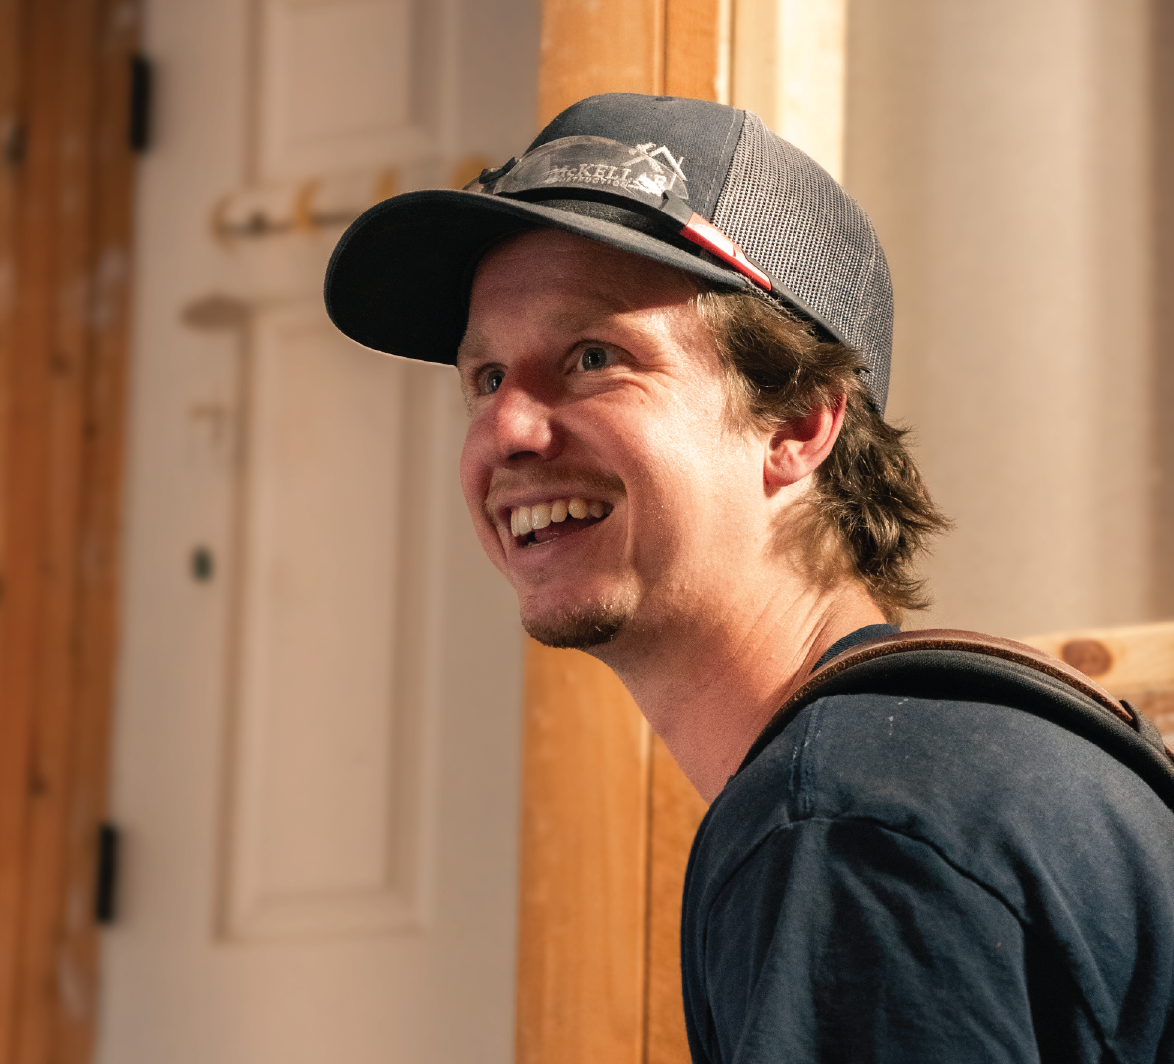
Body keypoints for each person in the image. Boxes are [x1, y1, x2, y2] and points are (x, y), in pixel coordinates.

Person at [325, 94, 1174, 1062]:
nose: (506, 429)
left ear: (799, 420)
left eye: (592, 356)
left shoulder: (846, 827)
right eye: (484, 378)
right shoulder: (945, 762)